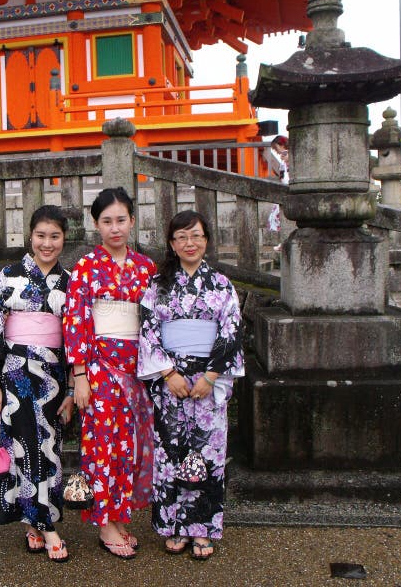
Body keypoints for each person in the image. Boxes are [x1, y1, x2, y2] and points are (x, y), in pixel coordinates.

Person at [0, 205, 74, 563]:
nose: (47, 243)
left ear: (64, 239)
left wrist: (74, 388)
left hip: (55, 375)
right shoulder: (9, 275)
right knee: (27, 446)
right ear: (30, 236)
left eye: (55, 236)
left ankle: (33, 521)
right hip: (15, 373)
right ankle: (47, 527)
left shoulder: (70, 280)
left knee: (49, 448)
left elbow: (76, 337)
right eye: (41, 236)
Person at [138, 210, 244, 561]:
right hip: (171, 379)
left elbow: (231, 333)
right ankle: (172, 526)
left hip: (208, 381)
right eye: (181, 237)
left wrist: (212, 376)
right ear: (171, 244)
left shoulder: (222, 285)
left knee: (208, 452)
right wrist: (168, 374)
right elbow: (149, 332)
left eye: (196, 235)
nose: (190, 243)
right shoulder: (157, 286)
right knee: (170, 452)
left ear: (206, 240)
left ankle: (202, 528)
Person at [63, 186, 157, 560]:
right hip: (100, 367)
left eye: (121, 220)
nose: (115, 228)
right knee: (101, 446)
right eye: (107, 221)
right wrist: (80, 376)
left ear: (132, 221)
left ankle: (120, 516)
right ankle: (104, 523)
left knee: (128, 445)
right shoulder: (86, 267)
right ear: (96, 225)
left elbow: (153, 322)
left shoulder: (146, 268)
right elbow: (76, 321)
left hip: (137, 369)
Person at [267, 135, 289, 251]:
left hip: (288, 188)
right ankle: (283, 241)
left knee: (280, 216)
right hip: (285, 187)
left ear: (281, 145)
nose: (277, 152)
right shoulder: (285, 156)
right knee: (280, 216)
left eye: (276, 148)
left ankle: (284, 241)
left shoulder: (288, 155)